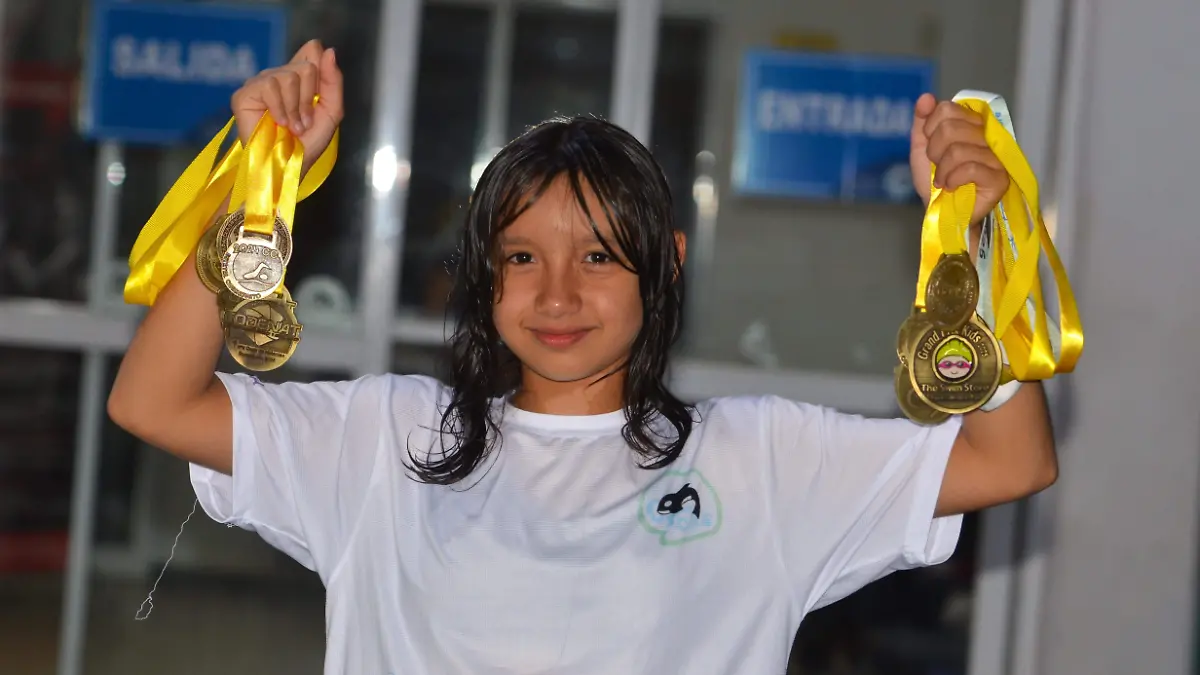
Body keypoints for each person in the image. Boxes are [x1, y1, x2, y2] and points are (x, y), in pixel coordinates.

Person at [108, 40, 1057, 675]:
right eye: (522, 258)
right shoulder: (385, 438)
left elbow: (1011, 460)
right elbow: (153, 400)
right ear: (485, 274)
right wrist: (255, 192)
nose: (556, 296)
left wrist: (967, 252)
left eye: (598, 257)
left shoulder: (761, 462)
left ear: (665, 263)